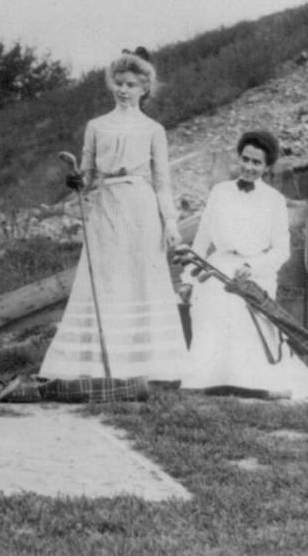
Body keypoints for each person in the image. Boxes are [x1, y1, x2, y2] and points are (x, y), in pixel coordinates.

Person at [39, 49, 189, 383]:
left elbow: (163, 182)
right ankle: (95, 366)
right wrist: (77, 180)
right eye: (118, 83)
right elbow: (88, 175)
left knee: (140, 280)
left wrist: (171, 223)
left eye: (131, 84)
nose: (123, 89)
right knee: (106, 281)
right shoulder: (97, 126)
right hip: (106, 208)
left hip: (141, 209)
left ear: (144, 88)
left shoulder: (154, 130)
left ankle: (145, 367)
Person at [178, 129, 308, 400]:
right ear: (239, 159)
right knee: (211, 299)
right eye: (245, 159)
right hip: (219, 265)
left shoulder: (273, 200)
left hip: (256, 271)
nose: (249, 167)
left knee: (242, 303)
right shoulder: (220, 192)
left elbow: (281, 250)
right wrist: (188, 279)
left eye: (256, 162)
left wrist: (253, 266)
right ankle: (211, 378)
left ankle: (252, 380)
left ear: (268, 166)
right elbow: (202, 240)